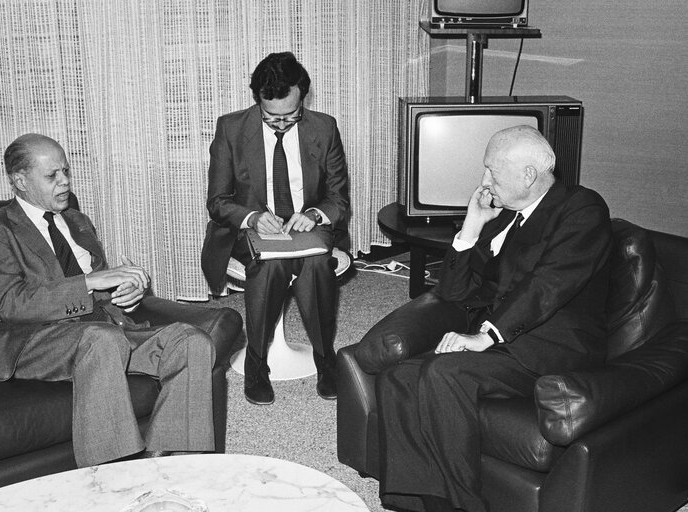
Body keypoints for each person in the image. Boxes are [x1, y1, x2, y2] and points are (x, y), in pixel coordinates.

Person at [375, 125, 613, 512]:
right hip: (504, 348)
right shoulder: (505, 217)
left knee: (444, 373)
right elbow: (454, 292)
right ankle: (414, 503)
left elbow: (549, 284)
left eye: (492, 171)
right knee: (396, 377)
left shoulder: (582, 209)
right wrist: (472, 225)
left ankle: (463, 506)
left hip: (552, 350)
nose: (484, 181)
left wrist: (487, 335)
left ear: (528, 175)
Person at [0, 133, 216, 468]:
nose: (65, 182)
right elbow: (11, 304)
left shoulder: (77, 221)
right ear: (20, 181)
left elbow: (100, 292)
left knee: (190, 341)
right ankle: (111, 480)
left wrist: (125, 296)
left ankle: (169, 467)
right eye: (52, 176)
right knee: (102, 339)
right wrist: (90, 281)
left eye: (66, 172)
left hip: (102, 330)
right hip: (33, 340)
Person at [201, 51, 350, 405]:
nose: (282, 125)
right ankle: (256, 360)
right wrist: (251, 218)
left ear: (304, 98)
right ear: (258, 102)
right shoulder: (231, 128)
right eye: (272, 118)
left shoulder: (324, 128)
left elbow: (338, 199)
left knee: (315, 264)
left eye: (291, 116)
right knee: (272, 264)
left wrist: (313, 214)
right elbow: (218, 200)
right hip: (248, 230)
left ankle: (324, 355)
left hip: (307, 225)